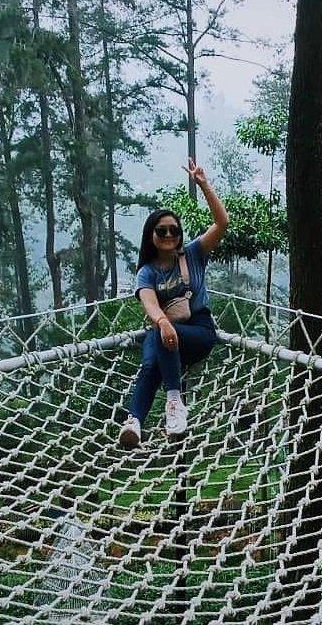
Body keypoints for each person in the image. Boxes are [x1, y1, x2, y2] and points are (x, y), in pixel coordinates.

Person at [119, 159, 229, 449]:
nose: (169, 235)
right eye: (161, 231)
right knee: (149, 364)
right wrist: (163, 322)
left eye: (174, 230)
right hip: (165, 333)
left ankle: (174, 402)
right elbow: (149, 303)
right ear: (151, 236)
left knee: (159, 336)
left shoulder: (193, 254)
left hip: (199, 331)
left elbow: (222, 223)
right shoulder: (147, 272)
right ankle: (134, 422)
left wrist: (203, 185)